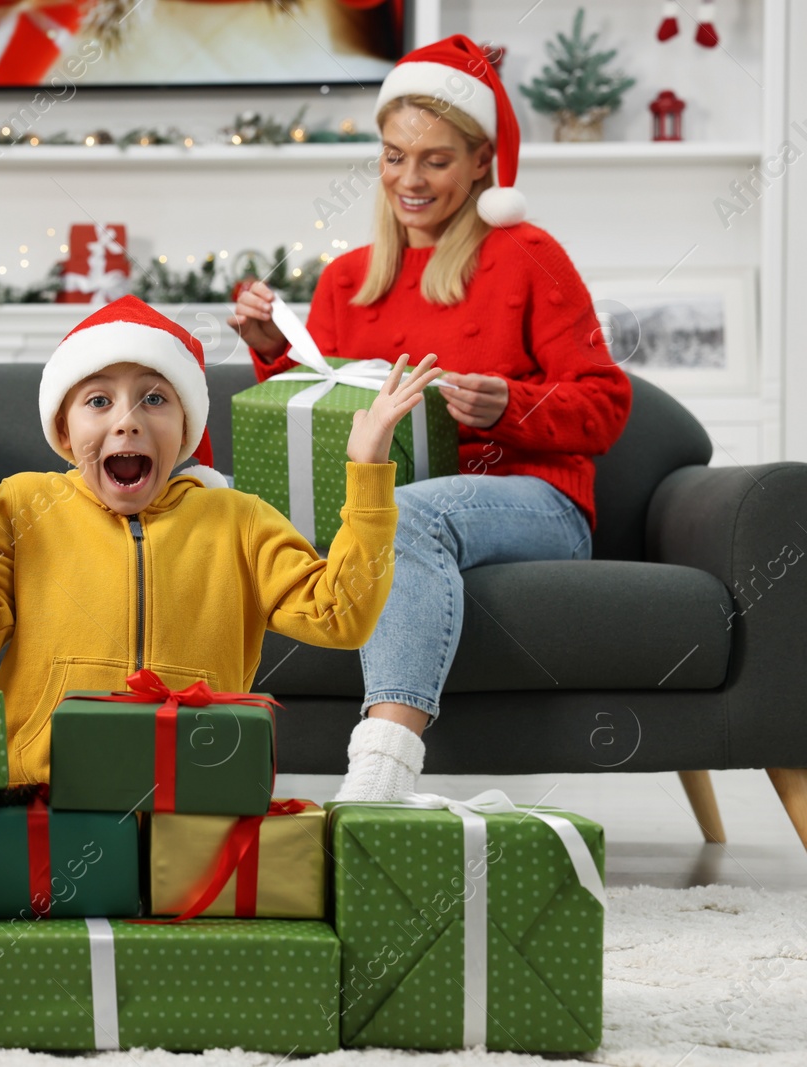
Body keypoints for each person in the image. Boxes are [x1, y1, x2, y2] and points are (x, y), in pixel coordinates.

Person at [230, 35, 633, 801]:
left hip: (531, 498)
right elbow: (327, 408)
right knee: (215, 495)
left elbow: (607, 406)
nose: (407, 180)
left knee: (402, 516)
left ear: (482, 160)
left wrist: (511, 405)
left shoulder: (526, 255)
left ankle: (380, 772)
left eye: (435, 160)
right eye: (392, 156)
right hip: (403, 497)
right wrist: (273, 352)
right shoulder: (349, 278)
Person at [0, 295, 441, 786]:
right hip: (47, 790)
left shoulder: (237, 517)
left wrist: (368, 474)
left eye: (154, 399)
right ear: (65, 431)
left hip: (198, 792)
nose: (128, 421)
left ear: (187, 429)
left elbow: (341, 616)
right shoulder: (24, 504)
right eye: (99, 401)